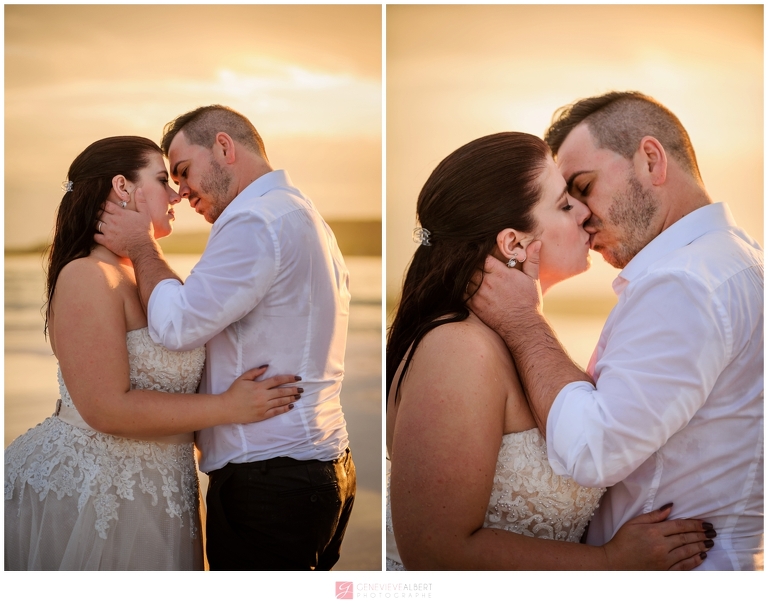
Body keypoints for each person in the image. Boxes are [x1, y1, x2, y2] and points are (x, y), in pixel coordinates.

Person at [386, 132, 716, 570]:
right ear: (513, 244)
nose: (585, 212)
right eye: (565, 204)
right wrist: (609, 563)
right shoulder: (458, 349)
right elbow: (434, 552)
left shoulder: (519, 338)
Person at [470, 92, 763, 570]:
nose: (582, 214)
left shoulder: (685, 282)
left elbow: (592, 452)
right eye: (567, 201)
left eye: (583, 186)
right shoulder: (736, 261)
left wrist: (524, 324)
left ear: (650, 160)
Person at [4, 136, 301, 571]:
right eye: (163, 179)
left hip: (163, 486)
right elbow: (106, 408)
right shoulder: (88, 275)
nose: (178, 192)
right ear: (122, 188)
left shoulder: (141, 270)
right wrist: (227, 407)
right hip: (96, 491)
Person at [95, 105, 356, 571]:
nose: (181, 191)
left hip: (270, 481)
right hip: (318, 466)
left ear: (223, 146)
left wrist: (140, 245)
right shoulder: (298, 211)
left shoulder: (256, 221)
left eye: (183, 171)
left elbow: (176, 326)